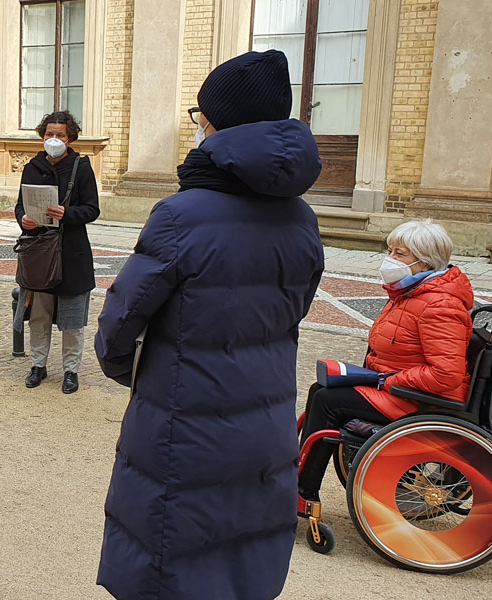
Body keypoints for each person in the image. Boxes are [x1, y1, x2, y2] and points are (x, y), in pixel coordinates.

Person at [94, 50, 324, 599]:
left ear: (212, 123)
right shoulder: (302, 217)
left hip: (185, 421)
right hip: (265, 422)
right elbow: (296, 307)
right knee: (239, 559)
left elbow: (119, 324)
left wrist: (133, 371)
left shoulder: (182, 214)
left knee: (171, 558)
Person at [298, 219, 472, 502]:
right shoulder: (410, 294)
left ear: (425, 264)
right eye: (390, 251)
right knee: (320, 389)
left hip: (419, 399)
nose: (389, 260)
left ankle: (303, 491)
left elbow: (445, 374)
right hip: (399, 390)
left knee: (327, 401)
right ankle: (299, 478)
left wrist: (387, 380)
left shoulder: (439, 305)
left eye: (399, 254)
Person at [14, 110, 100, 395]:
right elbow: (19, 205)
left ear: (70, 138)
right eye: (49, 134)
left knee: (73, 320)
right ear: (42, 135)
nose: (54, 139)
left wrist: (67, 213)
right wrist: (23, 219)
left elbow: (92, 209)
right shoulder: (32, 167)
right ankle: (38, 365)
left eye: (60, 135)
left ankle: (70, 370)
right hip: (39, 253)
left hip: (72, 254)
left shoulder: (81, 167)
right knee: (39, 315)